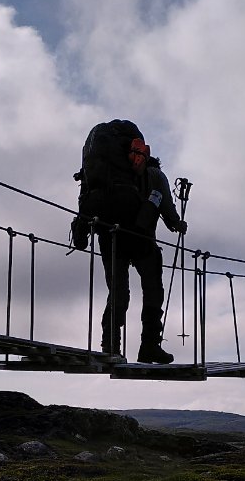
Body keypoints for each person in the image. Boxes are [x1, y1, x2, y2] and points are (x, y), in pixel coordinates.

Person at [77, 123, 187, 363]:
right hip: (141, 238)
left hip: (111, 236)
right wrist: (178, 224)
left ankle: (110, 347)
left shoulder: (99, 174)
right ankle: (149, 345)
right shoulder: (155, 175)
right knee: (153, 291)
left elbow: (86, 200)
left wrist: (81, 230)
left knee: (118, 292)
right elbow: (169, 213)